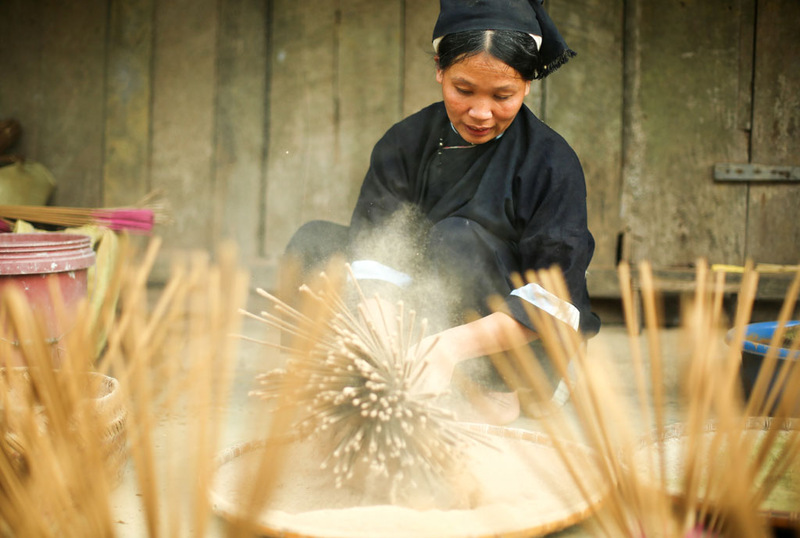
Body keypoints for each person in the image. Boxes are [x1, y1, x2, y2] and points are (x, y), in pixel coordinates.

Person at [282, 0, 601, 424]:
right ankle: (367, 367)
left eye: (502, 95)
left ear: (526, 85)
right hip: (426, 307)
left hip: (521, 342)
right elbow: (376, 250)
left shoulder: (551, 163)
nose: (481, 112)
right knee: (315, 242)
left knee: (456, 238)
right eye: (463, 90)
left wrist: (447, 347)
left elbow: (551, 301)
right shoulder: (404, 142)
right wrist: (384, 333)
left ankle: (493, 384)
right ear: (439, 69)